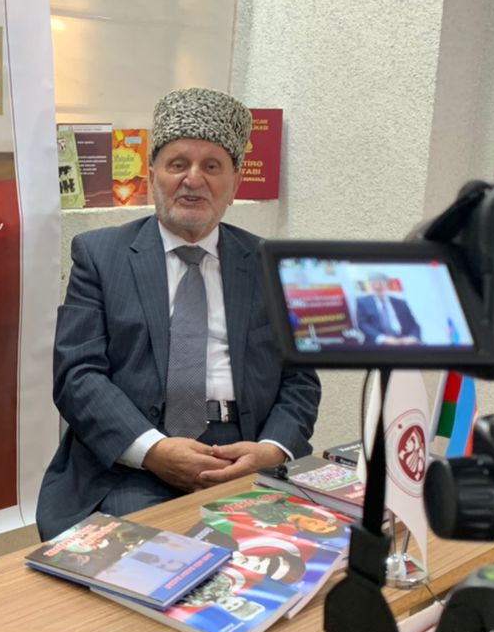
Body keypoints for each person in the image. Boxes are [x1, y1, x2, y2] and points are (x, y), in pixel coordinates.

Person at [35, 87, 322, 541]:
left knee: (298, 557)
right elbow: (77, 376)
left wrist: (271, 450)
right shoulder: (100, 256)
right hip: (135, 461)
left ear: (235, 182)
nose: (193, 179)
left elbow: (300, 380)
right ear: (152, 174)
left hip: (246, 454)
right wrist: (154, 450)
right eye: (178, 164)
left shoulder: (273, 265)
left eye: (212, 166)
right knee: (166, 556)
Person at [355, 271, 421, 345]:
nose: (378, 287)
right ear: (371, 286)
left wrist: (413, 337)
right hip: (380, 342)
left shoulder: (400, 303)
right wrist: (383, 339)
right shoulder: (363, 302)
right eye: (374, 285)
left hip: (403, 340)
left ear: (387, 285)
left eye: (381, 284)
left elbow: (414, 325)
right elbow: (362, 324)